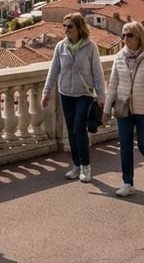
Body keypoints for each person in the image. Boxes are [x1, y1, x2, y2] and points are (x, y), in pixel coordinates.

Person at [41, 12, 105, 183]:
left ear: (79, 28)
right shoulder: (61, 47)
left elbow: (98, 74)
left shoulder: (90, 47)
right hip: (66, 94)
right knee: (70, 131)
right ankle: (76, 166)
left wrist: (101, 97)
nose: (66, 29)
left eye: (70, 26)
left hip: (84, 94)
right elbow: (53, 70)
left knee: (78, 129)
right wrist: (46, 92)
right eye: (64, 26)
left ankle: (86, 167)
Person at [102, 21, 144, 197]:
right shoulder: (119, 57)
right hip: (124, 109)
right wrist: (106, 110)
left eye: (130, 35)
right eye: (124, 35)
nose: (125, 39)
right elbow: (113, 85)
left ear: (139, 37)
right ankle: (127, 183)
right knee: (125, 147)